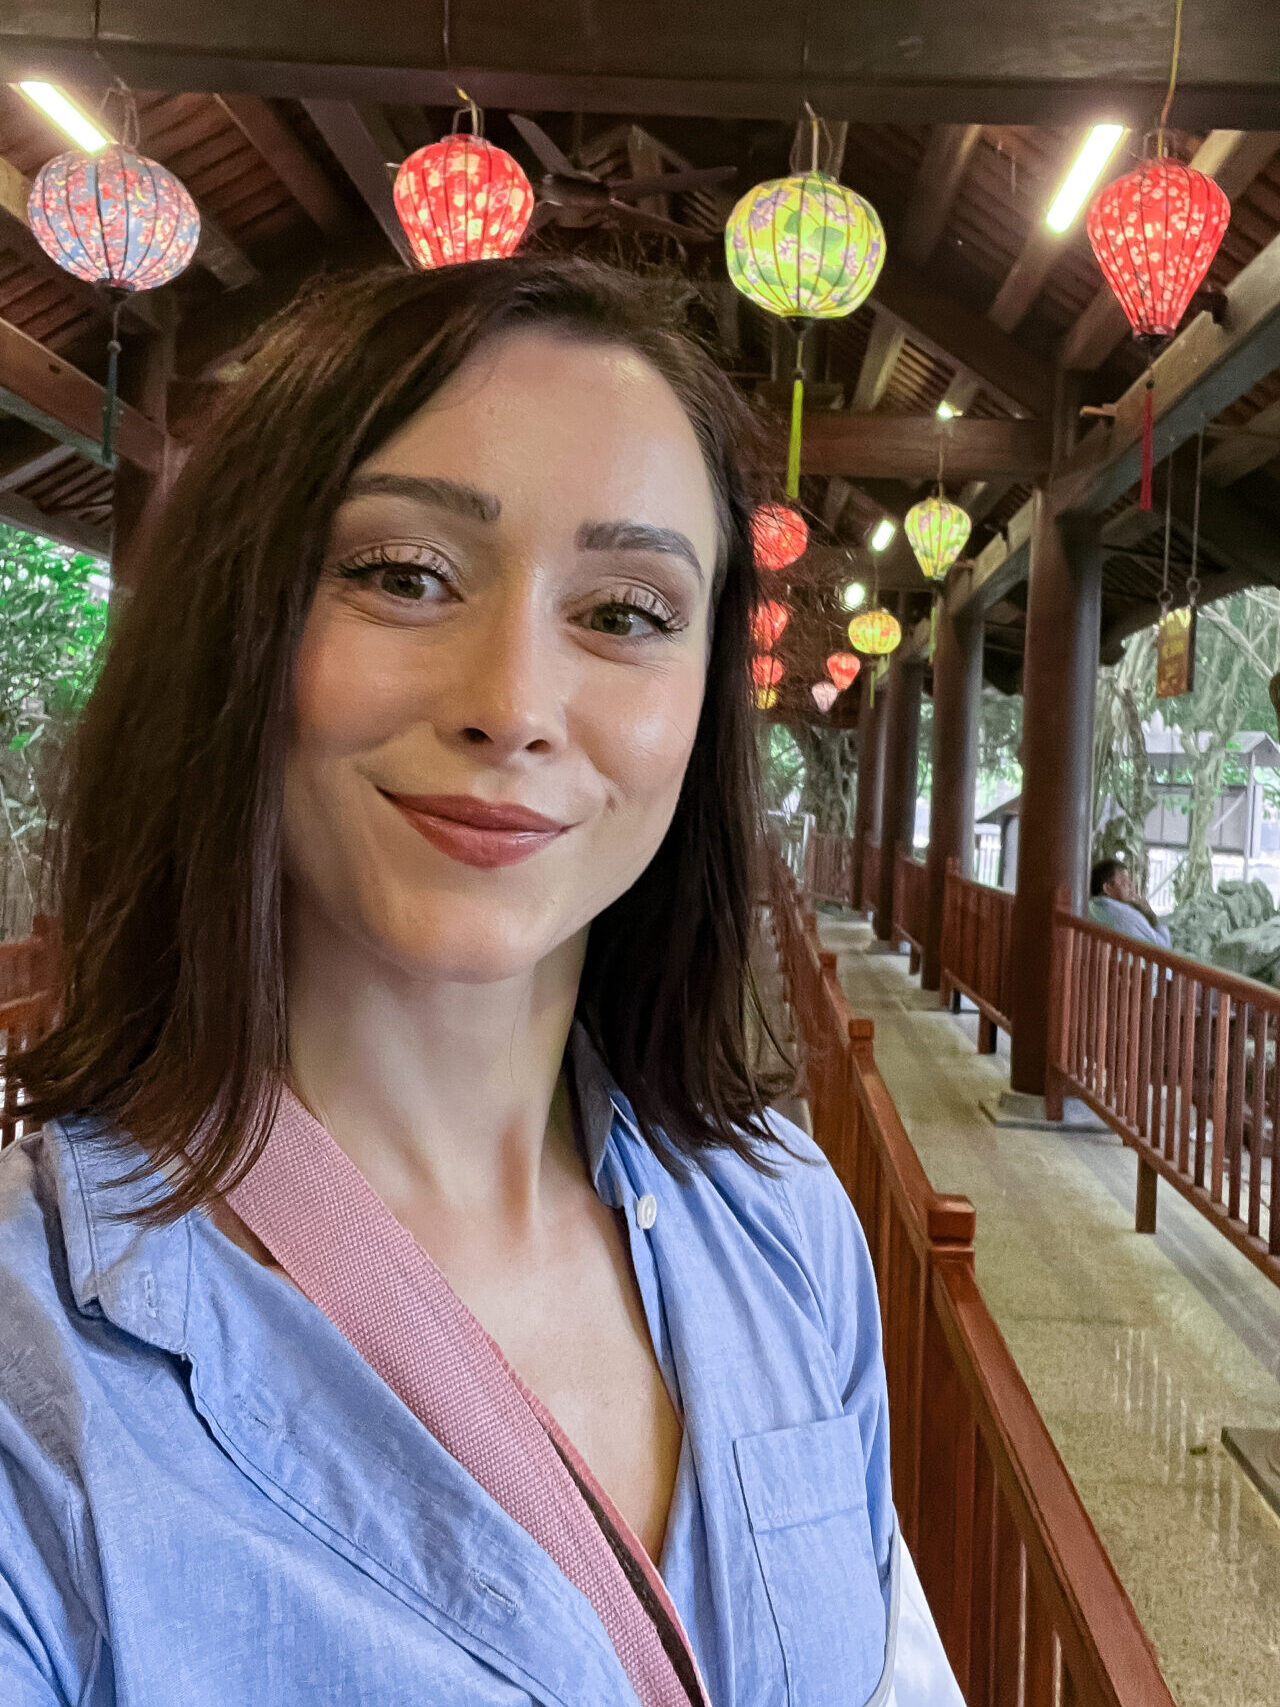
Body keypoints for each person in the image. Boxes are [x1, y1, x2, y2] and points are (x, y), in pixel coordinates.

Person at [0, 258, 961, 1706]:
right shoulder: (37, 1371)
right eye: (403, 574)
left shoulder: (783, 1222)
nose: (511, 703)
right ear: (245, 628)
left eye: (627, 612)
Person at [1088, 856, 1172, 949]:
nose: (1132, 887)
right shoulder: (1125, 915)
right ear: (1107, 888)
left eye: (1130, 882)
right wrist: (1151, 916)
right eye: (1125, 883)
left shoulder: (1090, 908)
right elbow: (1163, 947)